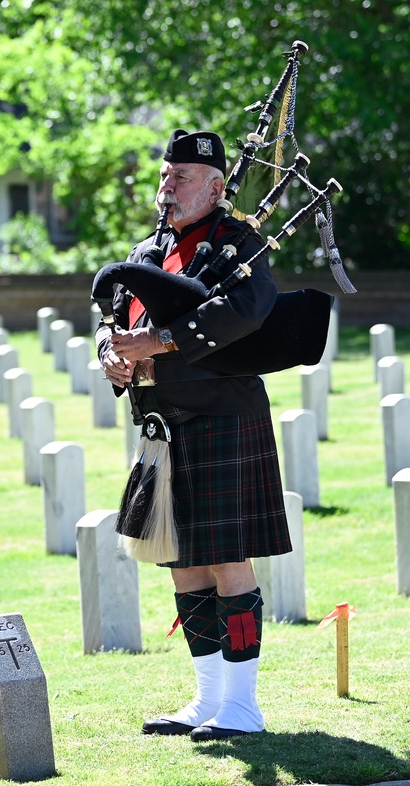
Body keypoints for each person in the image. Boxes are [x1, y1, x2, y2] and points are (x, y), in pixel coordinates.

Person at [95, 128, 292, 742]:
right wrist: (113, 355)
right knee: (182, 563)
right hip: (161, 425)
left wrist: (158, 342)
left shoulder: (242, 246)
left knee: (228, 560)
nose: (167, 186)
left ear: (216, 186)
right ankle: (207, 699)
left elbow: (242, 313)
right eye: (165, 174)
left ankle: (244, 706)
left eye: (181, 178)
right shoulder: (148, 248)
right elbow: (112, 314)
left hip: (223, 416)